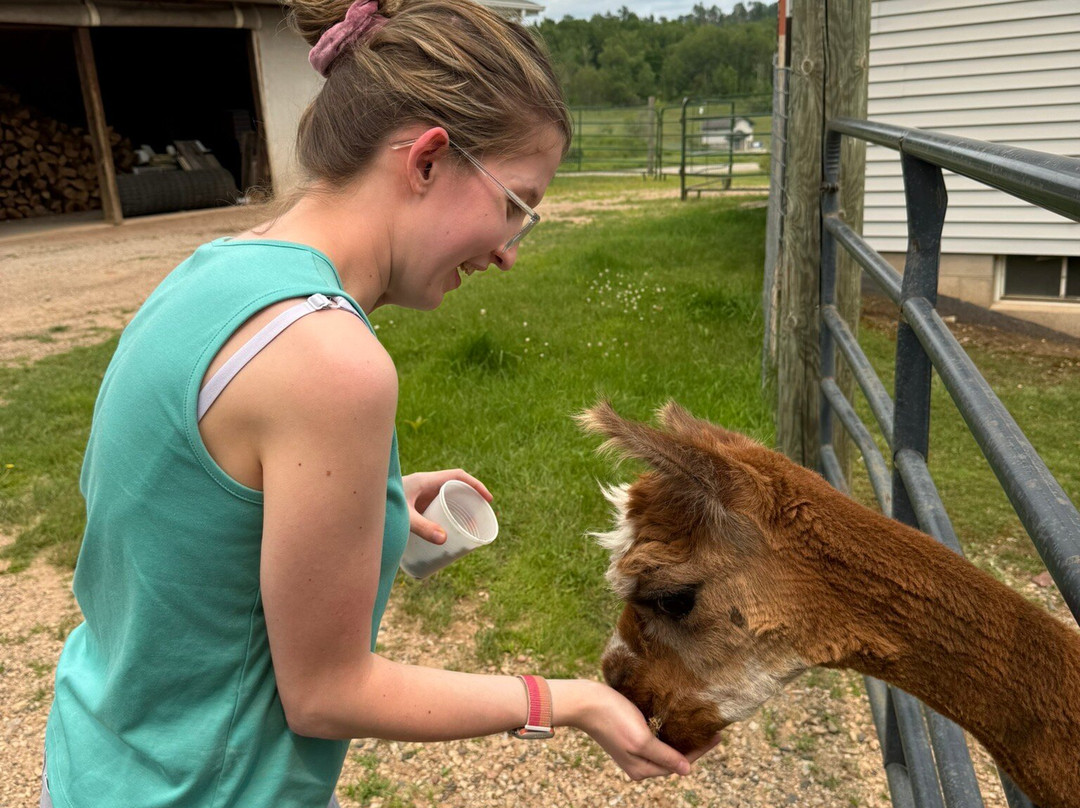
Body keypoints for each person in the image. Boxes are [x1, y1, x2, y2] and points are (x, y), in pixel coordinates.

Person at [41, 1, 715, 806]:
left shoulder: (218, 272)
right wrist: (563, 701)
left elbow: (179, 514)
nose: (507, 251)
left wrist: (367, 503)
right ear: (427, 160)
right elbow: (325, 694)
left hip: (100, 761)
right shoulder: (333, 362)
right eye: (516, 206)